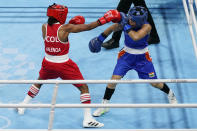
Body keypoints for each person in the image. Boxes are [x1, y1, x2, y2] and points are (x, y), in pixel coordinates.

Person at [17, 3, 121, 127]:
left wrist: (71, 25)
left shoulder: (44, 27)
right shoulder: (65, 28)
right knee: (83, 88)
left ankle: (23, 105)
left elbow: (53, 36)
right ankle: (87, 119)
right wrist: (105, 19)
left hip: (48, 63)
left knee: (38, 82)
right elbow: (88, 27)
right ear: (60, 15)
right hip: (63, 65)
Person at [89, 6, 177, 117]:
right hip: (126, 56)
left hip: (143, 58)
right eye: (129, 18)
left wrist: (125, 24)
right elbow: (112, 28)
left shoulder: (147, 27)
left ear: (140, 21)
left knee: (154, 83)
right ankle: (104, 105)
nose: (130, 20)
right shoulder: (127, 22)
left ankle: (170, 94)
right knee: (113, 80)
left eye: (132, 20)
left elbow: (135, 37)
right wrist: (100, 38)